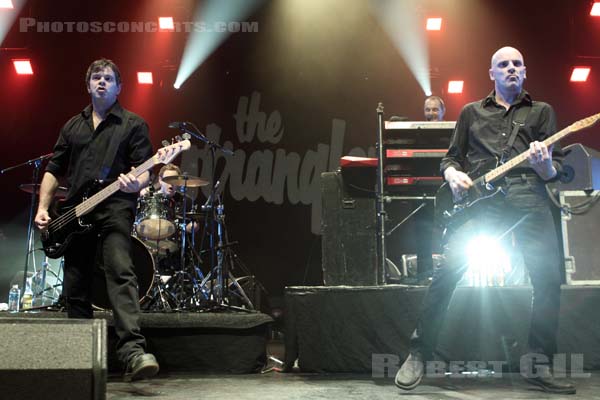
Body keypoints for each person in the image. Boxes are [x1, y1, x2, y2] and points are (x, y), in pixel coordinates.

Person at [394, 47, 576, 394]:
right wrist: (452, 175)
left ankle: (538, 364)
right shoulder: (470, 113)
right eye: (503, 64)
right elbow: (450, 159)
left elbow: (556, 172)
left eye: (517, 64)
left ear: (525, 71)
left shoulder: (542, 112)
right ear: (491, 73)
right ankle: (418, 353)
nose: (511, 68)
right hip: (482, 203)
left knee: (549, 279)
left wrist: (545, 167)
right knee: (447, 273)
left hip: (528, 197)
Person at [34, 58, 160, 381]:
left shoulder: (133, 125)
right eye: (96, 78)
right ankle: (79, 355)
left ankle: (133, 354)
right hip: (75, 214)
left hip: (116, 208)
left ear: (119, 88)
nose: (101, 82)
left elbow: (145, 172)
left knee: (120, 270)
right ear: (88, 85)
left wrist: (138, 182)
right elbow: (53, 170)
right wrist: (43, 207)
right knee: (76, 284)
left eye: (108, 78)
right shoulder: (72, 127)